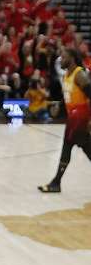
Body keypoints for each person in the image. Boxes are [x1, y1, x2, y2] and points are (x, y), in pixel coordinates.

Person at [39, 47, 91, 191]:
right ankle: (56, 182)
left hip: (80, 116)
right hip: (73, 116)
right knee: (87, 148)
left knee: (67, 146)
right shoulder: (66, 75)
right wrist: (60, 108)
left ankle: (56, 183)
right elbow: (69, 96)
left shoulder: (79, 74)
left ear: (72, 58)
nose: (61, 59)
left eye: (64, 56)